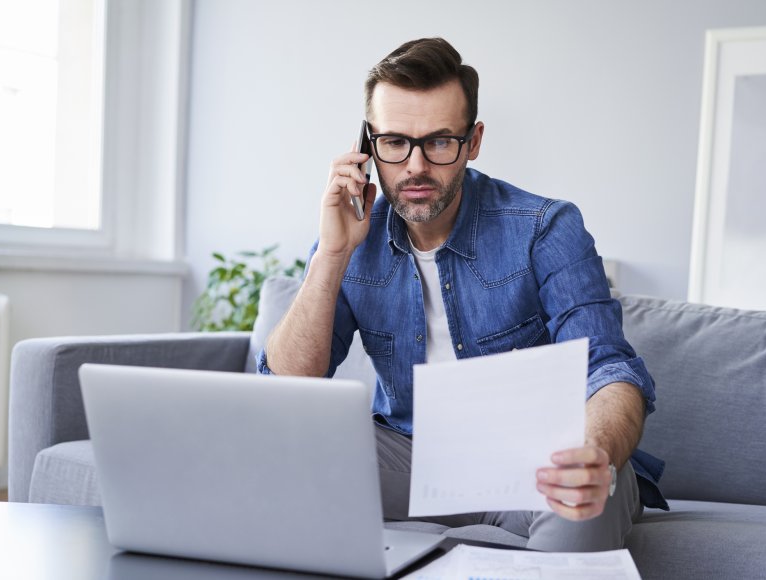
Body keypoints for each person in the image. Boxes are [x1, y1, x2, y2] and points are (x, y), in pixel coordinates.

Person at [259, 37, 666, 552]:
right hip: (412, 459)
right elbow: (287, 392)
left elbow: (609, 368)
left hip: (538, 464)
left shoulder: (545, 227)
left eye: (439, 142)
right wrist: (331, 256)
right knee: (279, 453)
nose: (415, 166)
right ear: (368, 145)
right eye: (394, 142)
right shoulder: (351, 232)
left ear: (472, 141)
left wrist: (595, 451)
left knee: (590, 498)